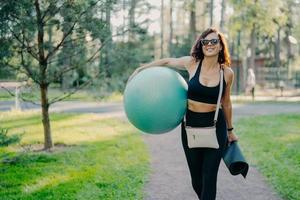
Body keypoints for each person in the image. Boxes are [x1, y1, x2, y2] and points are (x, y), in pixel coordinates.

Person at [129, 27, 238, 200]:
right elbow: (166, 62)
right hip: (190, 126)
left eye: (213, 41)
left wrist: (230, 131)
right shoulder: (192, 63)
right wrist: (142, 69)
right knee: (197, 180)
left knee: (209, 178)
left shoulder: (227, 73)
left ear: (220, 46)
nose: (209, 44)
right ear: (201, 45)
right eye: (205, 42)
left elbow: (226, 102)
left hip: (216, 127)